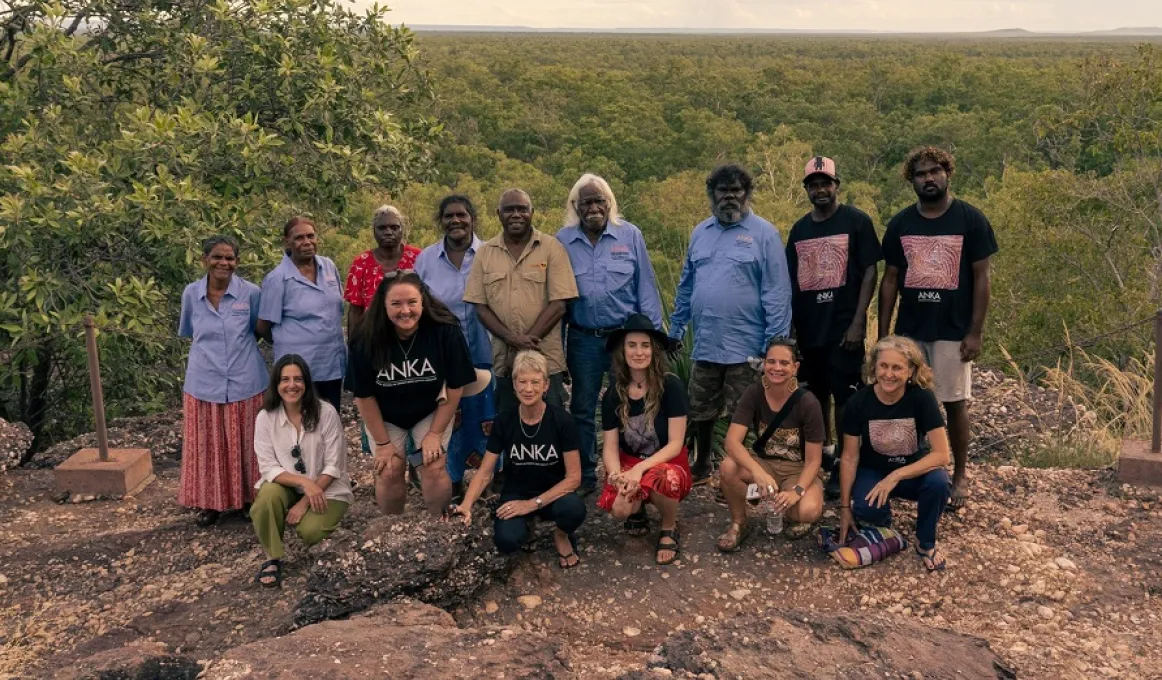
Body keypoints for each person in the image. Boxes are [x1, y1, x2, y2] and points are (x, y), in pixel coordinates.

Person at [878, 147, 998, 511]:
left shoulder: (970, 220)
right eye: (920, 174)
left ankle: (959, 473)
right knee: (907, 401)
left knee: (954, 402)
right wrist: (885, 336)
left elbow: (982, 278)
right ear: (910, 180)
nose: (928, 178)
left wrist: (975, 331)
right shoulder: (901, 223)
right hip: (911, 329)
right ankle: (909, 470)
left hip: (952, 330)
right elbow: (891, 280)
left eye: (935, 171)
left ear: (948, 173)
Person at [668, 164, 793, 484]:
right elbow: (686, 285)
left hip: (748, 345)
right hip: (707, 341)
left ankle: (743, 473)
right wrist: (676, 328)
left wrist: (775, 345)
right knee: (701, 407)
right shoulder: (700, 233)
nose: (729, 198)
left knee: (747, 413)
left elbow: (777, 291)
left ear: (747, 194)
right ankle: (703, 462)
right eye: (722, 191)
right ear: (712, 195)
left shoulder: (765, 234)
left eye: (736, 191)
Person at [557, 174, 664, 495]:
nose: (593, 207)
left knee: (634, 406)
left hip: (624, 340)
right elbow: (557, 299)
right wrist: (557, 349)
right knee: (582, 409)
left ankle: (634, 472)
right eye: (586, 202)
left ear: (609, 203)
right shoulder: (562, 240)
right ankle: (585, 476)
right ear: (576, 206)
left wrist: (653, 339)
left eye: (599, 201)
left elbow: (646, 289)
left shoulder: (630, 235)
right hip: (583, 339)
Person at [786, 156, 882, 496]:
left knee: (845, 396)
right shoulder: (799, 230)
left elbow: (871, 270)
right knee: (814, 395)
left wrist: (859, 321)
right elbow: (791, 281)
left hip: (844, 328)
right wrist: (793, 330)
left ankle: (844, 460)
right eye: (813, 184)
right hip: (810, 328)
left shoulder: (856, 221)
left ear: (836, 185)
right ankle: (822, 454)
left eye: (825, 182)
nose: (820, 189)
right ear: (807, 190)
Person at [347, 271, 480, 516]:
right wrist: (383, 444)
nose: (405, 310)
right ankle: (392, 524)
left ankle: (439, 524)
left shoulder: (445, 331)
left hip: (430, 408)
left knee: (433, 462)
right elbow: (364, 396)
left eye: (412, 302)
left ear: (423, 302)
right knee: (389, 468)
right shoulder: (365, 338)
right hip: (385, 413)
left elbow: (455, 385)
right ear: (383, 305)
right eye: (396, 304)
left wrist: (435, 433)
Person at [450, 350, 586, 570]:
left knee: (575, 510)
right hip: (518, 491)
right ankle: (528, 526)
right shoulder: (505, 421)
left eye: (535, 382)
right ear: (513, 385)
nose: (528, 388)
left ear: (546, 386)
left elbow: (574, 478)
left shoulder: (562, 421)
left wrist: (532, 504)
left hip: (554, 493)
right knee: (507, 541)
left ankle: (561, 535)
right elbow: (485, 471)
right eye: (522, 381)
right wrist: (466, 505)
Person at [838, 336, 952, 572]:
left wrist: (896, 475)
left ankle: (925, 541)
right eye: (883, 366)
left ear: (910, 371)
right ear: (874, 368)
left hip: (911, 470)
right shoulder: (858, 402)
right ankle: (883, 527)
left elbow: (942, 455)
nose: (889, 374)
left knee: (939, 482)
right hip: (874, 470)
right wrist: (844, 508)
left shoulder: (922, 398)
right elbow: (849, 457)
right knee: (867, 509)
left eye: (897, 367)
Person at [177, 236, 269, 527]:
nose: (224, 263)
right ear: (205, 260)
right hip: (204, 382)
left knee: (248, 444)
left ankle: (247, 500)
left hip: (246, 380)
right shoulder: (191, 294)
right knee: (208, 446)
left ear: (237, 262)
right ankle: (210, 503)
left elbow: (258, 331)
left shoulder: (251, 293)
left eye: (230, 258)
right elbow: (191, 331)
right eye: (217, 257)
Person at [464, 189, 578, 414]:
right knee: (510, 425)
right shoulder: (485, 253)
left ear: (532, 212)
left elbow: (559, 304)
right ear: (498, 214)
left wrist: (523, 345)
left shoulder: (551, 248)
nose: (516, 214)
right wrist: (512, 340)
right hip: (505, 362)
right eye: (509, 209)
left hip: (547, 359)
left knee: (551, 423)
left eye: (522, 209)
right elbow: (480, 307)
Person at [414, 195, 497, 500]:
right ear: (441, 221)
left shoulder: (491, 253)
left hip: (488, 351)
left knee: (489, 414)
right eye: (448, 216)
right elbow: (417, 306)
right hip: (443, 356)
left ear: (472, 217)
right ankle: (453, 477)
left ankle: (490, 475)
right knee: (452, 416)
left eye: (461, 215)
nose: (455, 221)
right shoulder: (426, 260)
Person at [595, 314, 690, 566]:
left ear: (654, 350)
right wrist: (617, 476)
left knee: (664, 479)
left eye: (645, 345)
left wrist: (639, 470)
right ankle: (639, 508)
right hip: (629, 461)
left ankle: (669, 526)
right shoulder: (613, 395)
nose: (639, 352)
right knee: (620, 510)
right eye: (632, 345)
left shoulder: (671, 386)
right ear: (622, 351)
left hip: (665, 461)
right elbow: (611, 447)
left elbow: (675, 444)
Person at [250, 355, 352, 587]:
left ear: (307, 383)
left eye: (298, 379)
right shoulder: (266, 417)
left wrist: (305, 501)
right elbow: (267, 466)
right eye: (285, 379)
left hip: (328, 488)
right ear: (276, 385)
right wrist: (305, 484)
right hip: (289, 485)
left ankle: (321, 521)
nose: (291, 385)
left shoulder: (325, 412)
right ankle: (273, 557)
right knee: (266, 497)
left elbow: (334, 464)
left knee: (311, 532)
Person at [716, 338, 826, 552]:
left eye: (784, 363)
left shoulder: (808, 402)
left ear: (795, 368)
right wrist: (757, 472)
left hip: (798, 469)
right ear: (764, 364)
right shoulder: (754, 393)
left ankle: (780, 502)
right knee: (728, 467)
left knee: (807, 511)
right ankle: (740, 522)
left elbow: (814, 460)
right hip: (765, 463)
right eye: (771, 361)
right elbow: (732, 442)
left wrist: (798, 490)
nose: (777, 368)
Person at [257, 216, 346, 412]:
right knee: (303, 424)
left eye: (310, 236)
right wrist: (290, 343)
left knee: (331, 421)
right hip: (298, 370)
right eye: (299, 238)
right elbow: (263, 327)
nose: (306, 242)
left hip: (331, 362)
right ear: (287, 241)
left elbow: (336, 308)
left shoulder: (328, 266)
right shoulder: (277, 279)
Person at [344, 205, 423, 335]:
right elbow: (355, 310)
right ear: (374, 231)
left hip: (414, 335)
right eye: (382, 228)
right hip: (374, 336)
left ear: (402, 230)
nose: (388, 232)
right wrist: (354, 346)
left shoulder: (418, 258)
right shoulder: (361, 263)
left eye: (394, 227)